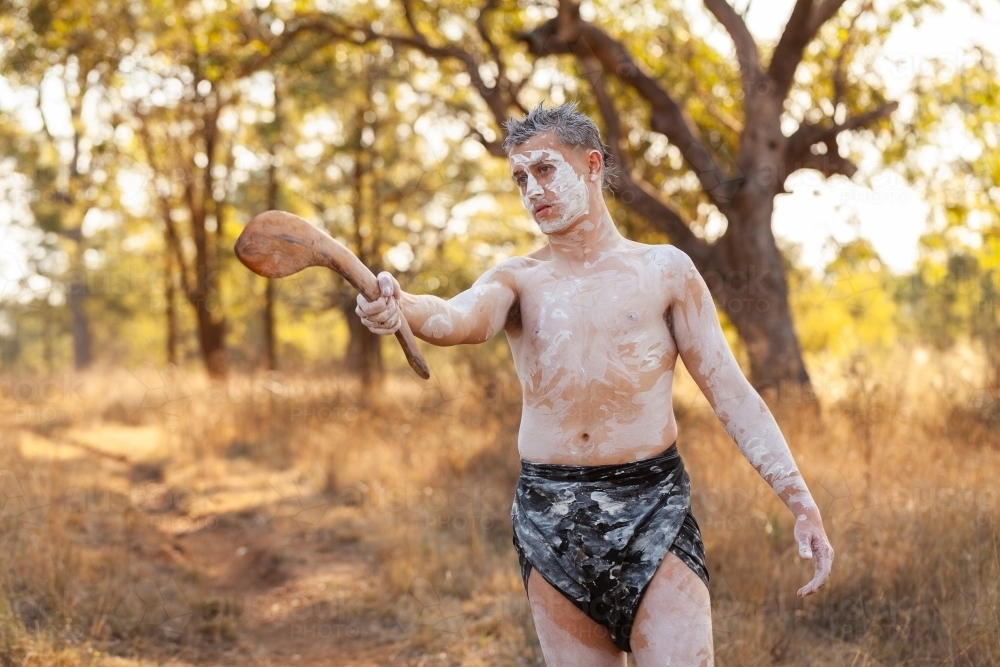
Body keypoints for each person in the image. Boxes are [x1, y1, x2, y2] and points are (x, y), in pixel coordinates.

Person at [355, 103, 833, 667]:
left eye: (545, 170)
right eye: (519, 178)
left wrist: (801, 502)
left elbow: (732, 394)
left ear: (591, 165)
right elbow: (457, 319)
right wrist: (400, 305)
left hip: (651, 507)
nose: (532, 189)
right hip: (548, 515)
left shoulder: (665, 271)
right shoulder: (518, 279)